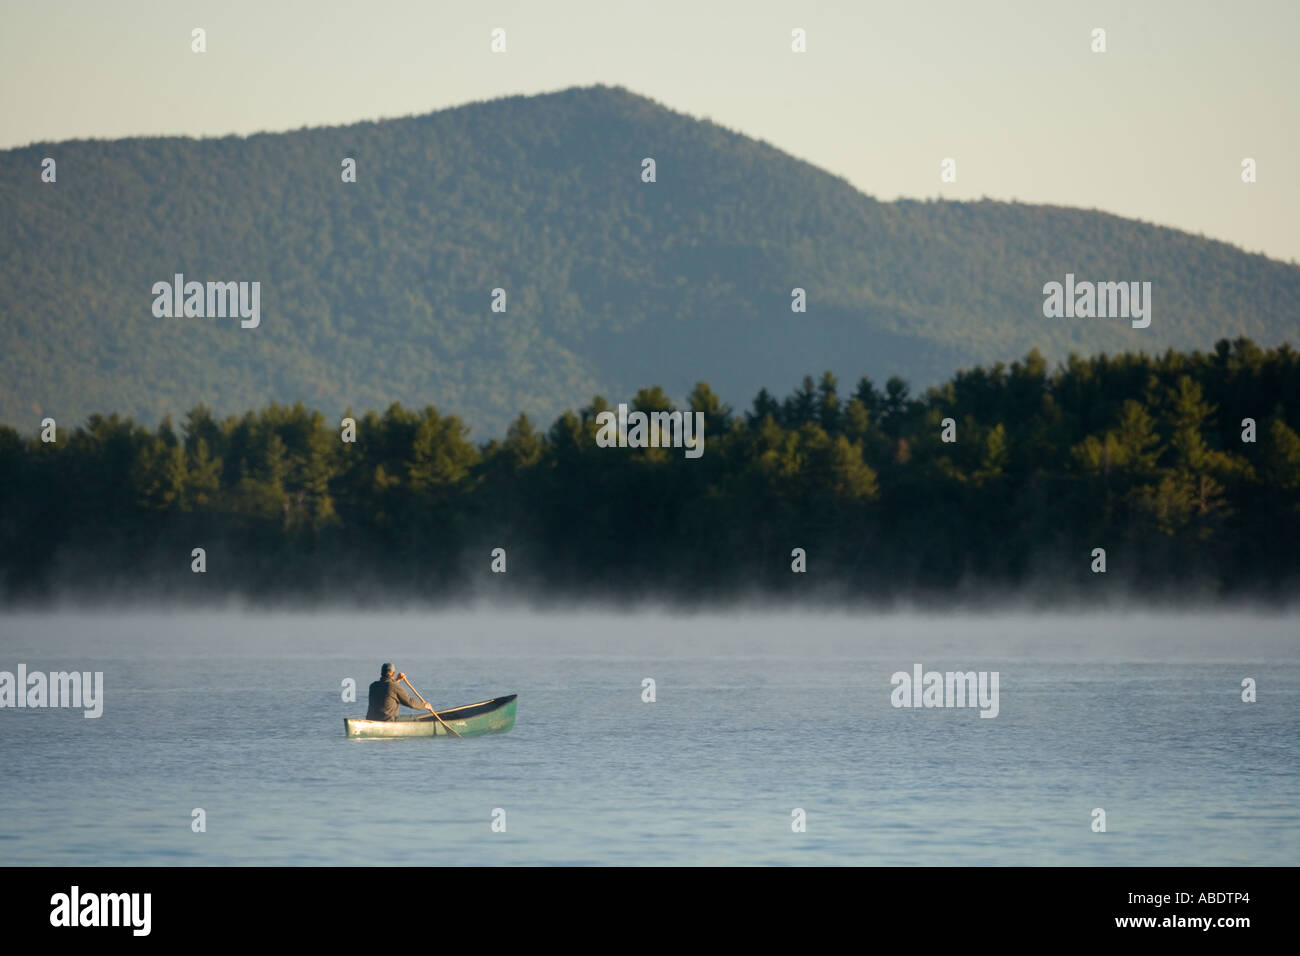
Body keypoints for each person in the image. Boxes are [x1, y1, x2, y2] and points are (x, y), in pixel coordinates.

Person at [366, 663, 435, 721]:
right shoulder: (394, 686)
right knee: (415, 719)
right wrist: (424, 706)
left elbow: (388, 689)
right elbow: (410, 702)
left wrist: (397, 680)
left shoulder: (373, 686)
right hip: (388, 720)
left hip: (371, 719)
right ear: (393, 674)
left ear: (381, 673)